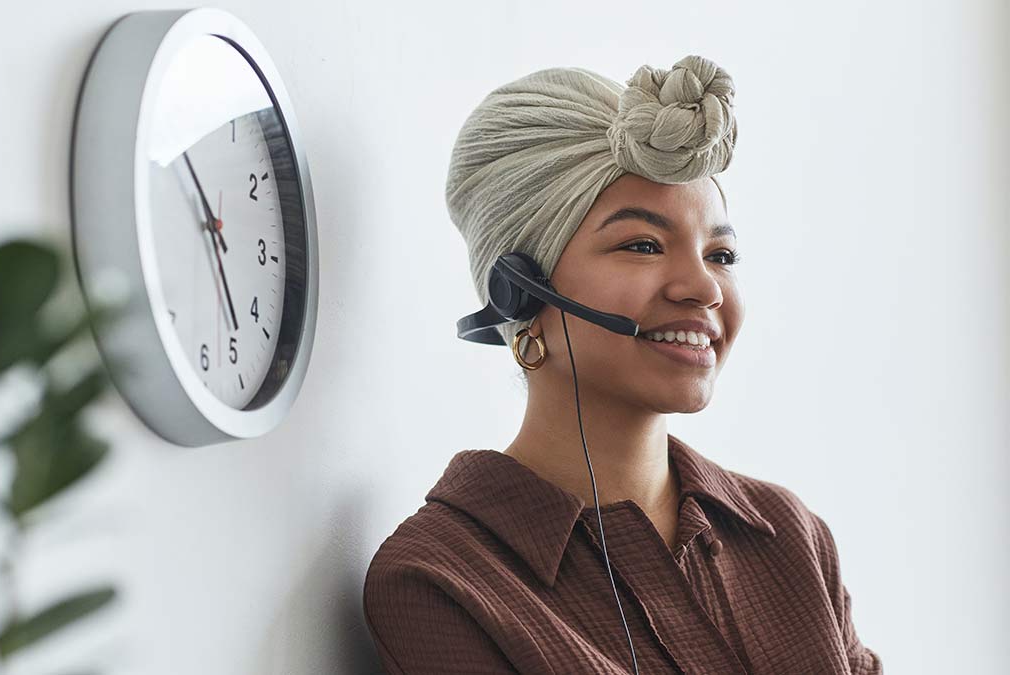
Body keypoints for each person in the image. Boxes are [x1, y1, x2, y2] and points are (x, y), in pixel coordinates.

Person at [362, 55, 883, 674]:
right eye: (643, 245)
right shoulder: (441, 580)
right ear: (519, 293)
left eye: (722, 254)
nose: (704, 288)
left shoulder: (790, 538)